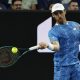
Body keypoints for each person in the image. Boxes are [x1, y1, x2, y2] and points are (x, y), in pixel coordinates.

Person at [38, 3, 80, 80]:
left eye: (60, 12)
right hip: (61, 67)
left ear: (65, 12)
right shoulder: (53, 31)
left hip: (76, 66)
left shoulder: (76, 25)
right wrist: (47, 45)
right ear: (53, 15)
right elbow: (56, 47)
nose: (59, 15)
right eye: (56, 13)